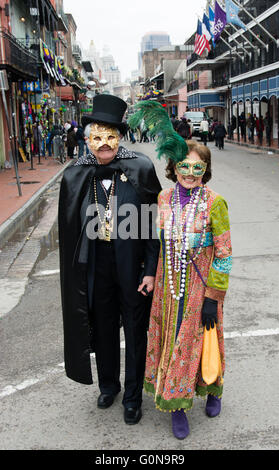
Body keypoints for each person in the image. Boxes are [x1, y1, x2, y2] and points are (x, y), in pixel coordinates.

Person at [58, 94, 162, 425]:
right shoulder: (75, 174)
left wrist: (150, 270)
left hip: (132, 264)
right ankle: (109, 386)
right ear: (87, 139)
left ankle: (132, 397)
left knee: (134, 330)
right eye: (95, 137)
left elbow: (150, 224)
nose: (103, 145)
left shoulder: (140, 167)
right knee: (102, 327)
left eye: (109, 137)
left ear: (119, 136)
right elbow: (69, 228)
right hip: (96, 263)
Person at [144, 139, 232, 439]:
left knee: (205, 341)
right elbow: (159, 243)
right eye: (184, 166)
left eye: (198, 167)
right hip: (170, 287)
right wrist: (153, 277)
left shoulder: (215, 202)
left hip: (202, 288)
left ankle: (213, 390)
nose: (190, 172)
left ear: (205, 170)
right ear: (173, 168)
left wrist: (213, 298)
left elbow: (224, 253)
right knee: (173, 342)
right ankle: (177, 404)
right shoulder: (165, 198)